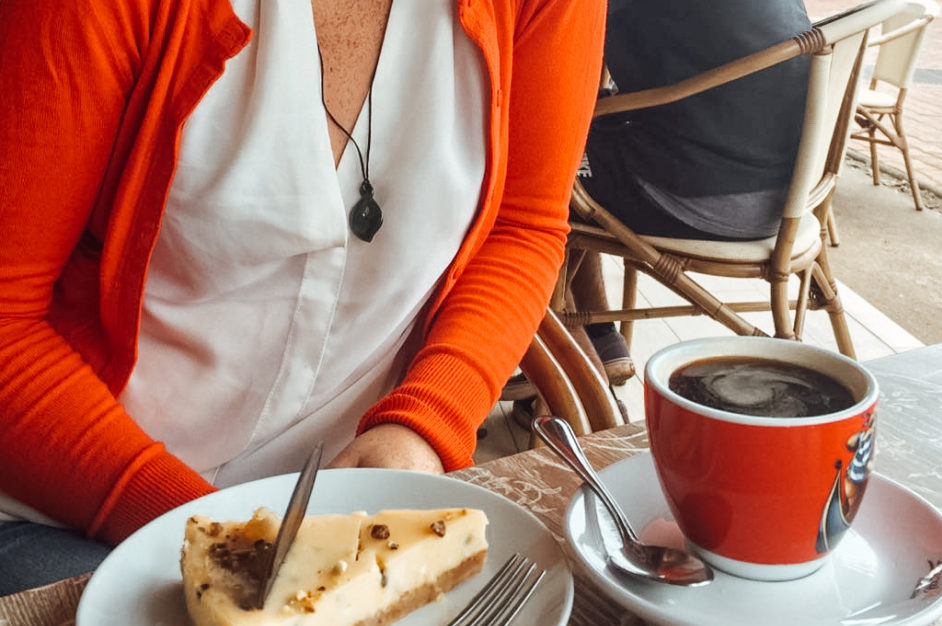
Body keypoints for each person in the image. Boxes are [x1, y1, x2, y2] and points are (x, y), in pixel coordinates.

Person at [0, 0, 605, 595]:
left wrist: (426, 421)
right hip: (74, 503)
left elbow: (522, 226)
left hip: (345, 517)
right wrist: (221, 535)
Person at [569, 0, 812, 371]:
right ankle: (599, 331)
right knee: (583, 139)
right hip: (789, 196)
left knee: (541, 160)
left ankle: (569, 367)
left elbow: (569, 44)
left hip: (705, 199)